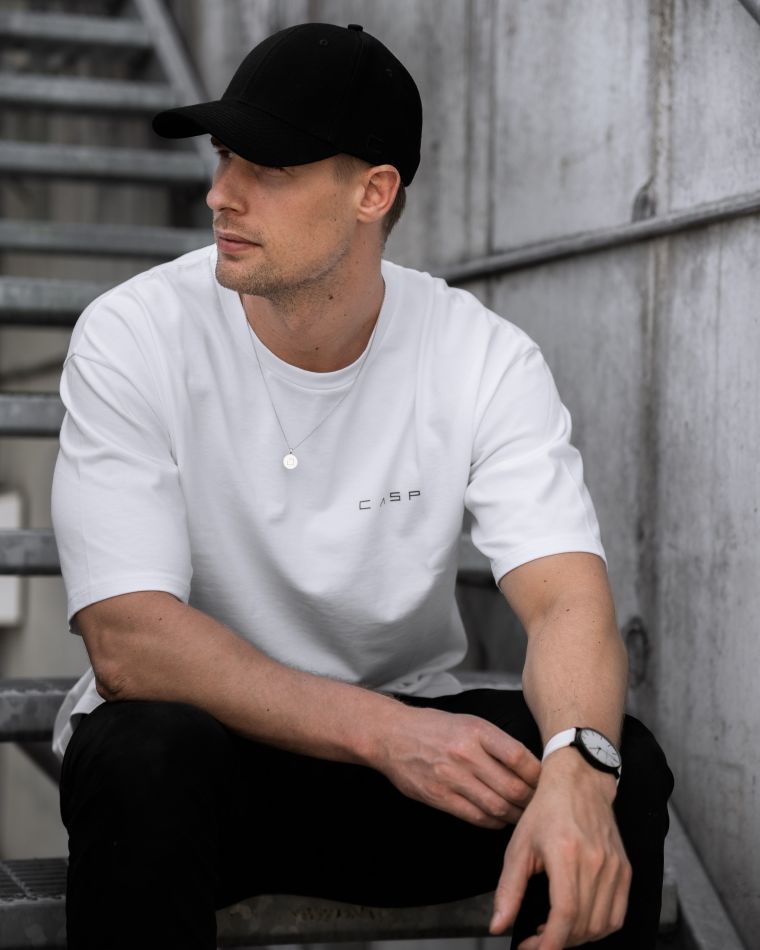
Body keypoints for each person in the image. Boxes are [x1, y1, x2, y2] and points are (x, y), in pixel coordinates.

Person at [51, 21, 673, 950]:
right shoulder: (133, 333)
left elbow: (566, 603)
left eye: (266, 166)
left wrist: (579, 770)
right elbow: (129, 641)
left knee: (622, 768)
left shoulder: (480, 355)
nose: (221, 193)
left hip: (394, 763)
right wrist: (385, 733)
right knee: (143, 753)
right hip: (208, 765)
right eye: (224, 157)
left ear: (373, 193)